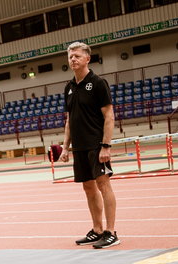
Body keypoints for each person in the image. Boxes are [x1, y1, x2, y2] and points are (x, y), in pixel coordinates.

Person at [59, 42, 120, 249]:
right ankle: (97, 229)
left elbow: (109, 116)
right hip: (80, 147)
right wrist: (65, 148)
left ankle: (111, 232)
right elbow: (69, 120)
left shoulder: (98, 83)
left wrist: (106, 145)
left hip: (96, 144)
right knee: (88, 188)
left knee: (104, 185)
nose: (73, 59)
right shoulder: (68, 87)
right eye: (70, 57)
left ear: (87, 59)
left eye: (77, 56)